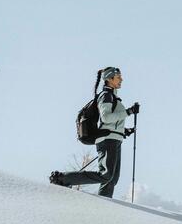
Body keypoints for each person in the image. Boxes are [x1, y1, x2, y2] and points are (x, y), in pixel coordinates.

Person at [51, 67, 138, 198]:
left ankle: (104, 204)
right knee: (106, 175)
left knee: (112, 178)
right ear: (110, 79)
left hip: (114, 139)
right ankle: (62, 179)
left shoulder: (113, 96)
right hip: (107, 140)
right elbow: (106, 117)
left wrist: (124, 131)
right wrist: (128, 112)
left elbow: (111, 122)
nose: (122, 79)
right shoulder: (106, 95)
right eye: (118, 77)